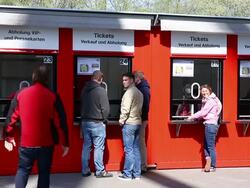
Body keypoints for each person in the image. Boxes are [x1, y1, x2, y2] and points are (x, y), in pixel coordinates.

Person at [4, 64, 69, 188]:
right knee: (44, 174)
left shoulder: (20, 94)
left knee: (22, 171)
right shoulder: (53, 96)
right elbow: (61, 122)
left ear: (34, 76)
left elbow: (11, 117)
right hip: (46, 144)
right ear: (47, 78)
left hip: (26, 144)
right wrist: (65, 142)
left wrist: (8, 136)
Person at [80, 70, 113, 178]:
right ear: (101, 79)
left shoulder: (84, 90)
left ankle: (85, 170)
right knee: (98, 147)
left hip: (85, 122)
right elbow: (106, 109)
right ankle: (100, 171)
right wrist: (105, 119)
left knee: (86, 147)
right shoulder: (101, 90)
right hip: (97, 122)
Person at [187, 84, 222, 172]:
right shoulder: (208, 99)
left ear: (210, 91)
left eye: (206, 91)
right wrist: (197, 117)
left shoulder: (210, 101)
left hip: (211, 125)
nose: (204, 92)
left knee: (210, 147)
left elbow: (203, 112)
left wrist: (192, 116)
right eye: (202, 91)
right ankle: (208, 164)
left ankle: (213, 167)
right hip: (209, 124)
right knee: (206, 146)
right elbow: (204, 112)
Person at [118, 72, 143, 180]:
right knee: (136, 149)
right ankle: (137, 174)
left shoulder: (129, 93)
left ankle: (127, 174)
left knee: (128, 150)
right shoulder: (139, 92)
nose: (124, 82)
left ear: (132, 80)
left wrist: (121, 120)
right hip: (137, 123)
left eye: (126, 80)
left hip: (129, 123)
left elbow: (125, 109)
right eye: (123, 80)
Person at [134, 71, 151, 173]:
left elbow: (145, 106)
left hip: (141, 119)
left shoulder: (143, 89)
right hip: (140, 119)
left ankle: (143, 165)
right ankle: (140, 165)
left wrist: (140, 118)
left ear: (137, 78)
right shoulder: (141, 88)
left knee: (140, 142)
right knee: (139, 142)